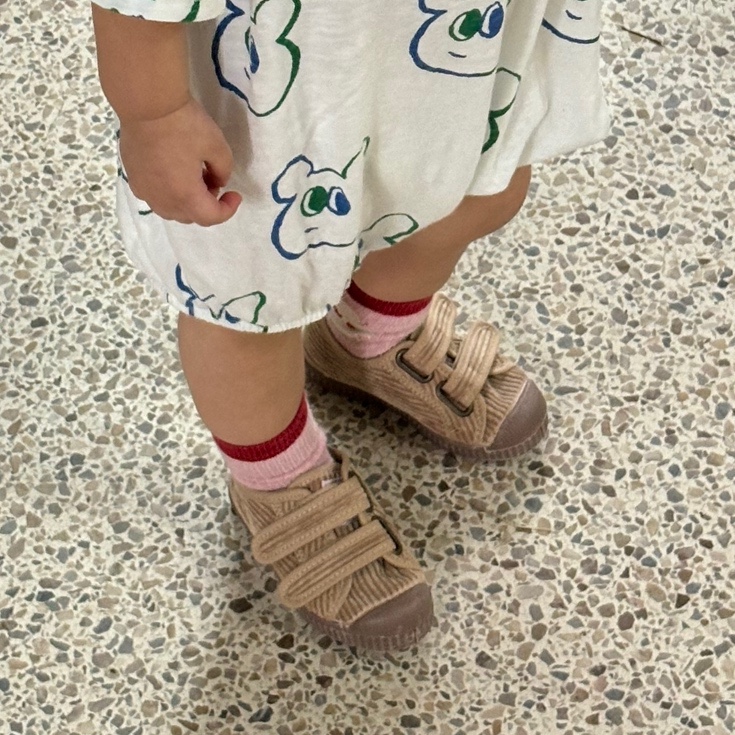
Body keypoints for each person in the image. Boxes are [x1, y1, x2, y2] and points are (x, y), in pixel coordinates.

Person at [90, 0, 609, 651]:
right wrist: (154, 111)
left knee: (476, 191)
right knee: (251, 300)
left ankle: (369, 336)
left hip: (463, 40)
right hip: (276, 74)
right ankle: (278, 477)